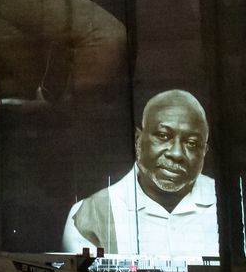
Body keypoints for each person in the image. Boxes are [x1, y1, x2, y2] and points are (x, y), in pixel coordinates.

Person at [61, 90, 221, 262]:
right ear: (138, 140)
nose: (176, 153)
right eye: (163, 136)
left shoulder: (229, 204)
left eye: (191, 143)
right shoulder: (90, 216)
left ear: (204, 151)